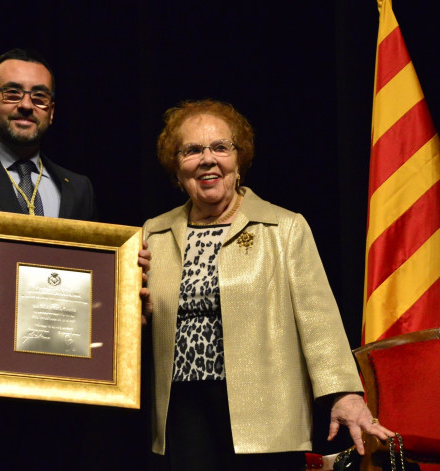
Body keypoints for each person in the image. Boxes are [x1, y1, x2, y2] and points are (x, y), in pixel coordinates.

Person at [0, 48, 148, 469]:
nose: (25, 105)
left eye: (39, 97)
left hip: (60, 400)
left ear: (51, 111)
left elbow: (86, 286)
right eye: (12, 93)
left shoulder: (77, 187)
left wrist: (124, 284)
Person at [142, 99, 394, 470]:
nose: (207, 159)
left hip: (266, 415)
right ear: (177, 168)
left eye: (220, 147)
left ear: (238, 160)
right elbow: (135, 320)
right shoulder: (154, 233)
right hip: (183, 412)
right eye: (192, 150)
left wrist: (344, 394)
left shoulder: (284, 227)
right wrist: (132, 309)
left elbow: (318, 320)